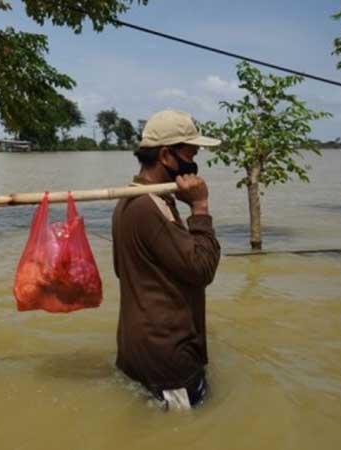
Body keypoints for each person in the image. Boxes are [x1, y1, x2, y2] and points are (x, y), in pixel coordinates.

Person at [111, 110, 222, 410]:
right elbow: (202, 269)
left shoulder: (130, 199)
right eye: (190, 154)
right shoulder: (150, 208)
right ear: (165, 156)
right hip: (169, 359)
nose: (194, 162)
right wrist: (200, 207)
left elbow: (124, 271)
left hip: (137, 351)